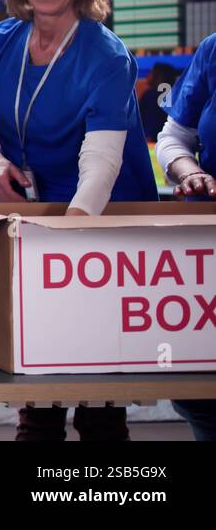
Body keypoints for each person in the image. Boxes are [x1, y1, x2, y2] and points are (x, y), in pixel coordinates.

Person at [0, 0, 158, 441]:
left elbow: (102, 164)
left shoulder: (105, 56)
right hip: (38, 222)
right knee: (36, 399)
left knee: (99, 404)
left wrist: (68, 241)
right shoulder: (2, 42)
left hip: (100, 226)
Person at [154, 30, 216, 441]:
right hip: (206, 260)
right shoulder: (213, 49)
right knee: (203, 401)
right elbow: (174, 136)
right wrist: (189, 171)